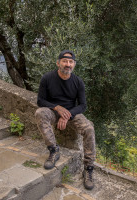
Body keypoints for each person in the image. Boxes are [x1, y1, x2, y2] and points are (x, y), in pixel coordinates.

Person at [35, 50, 96, 190]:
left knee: (89, 128)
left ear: (74, 65)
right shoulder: (47, 78)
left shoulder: (78, 82)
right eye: (64, 61)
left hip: (72, 113)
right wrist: (56, 108)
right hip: (52, 111)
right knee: (40, 113)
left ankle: (88, 168)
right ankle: (53, 150)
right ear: (58, 63)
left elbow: (82, 105)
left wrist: (67, 114)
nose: (67, 64)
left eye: (70, 62)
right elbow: (40, 100)